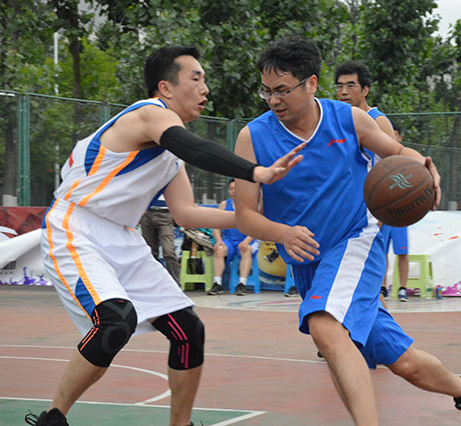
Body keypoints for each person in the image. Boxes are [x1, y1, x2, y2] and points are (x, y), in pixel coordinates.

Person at [26, 45, 305, 426]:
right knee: (115, 321)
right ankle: (52, 418)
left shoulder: (168, 152)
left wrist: (254, 218)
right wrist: (255, 172)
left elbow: (185, 213)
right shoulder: (148, 114)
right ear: (166, 87)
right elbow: (194, 148)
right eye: (196, 78)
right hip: (77, 227)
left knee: (188, 330)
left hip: (121, 236)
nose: (205, 88)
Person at [234, 37, 461, 426]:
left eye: (282, 90)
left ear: (311, 83)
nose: (273, 100)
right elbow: (244, 216)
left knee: (324, 325)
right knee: (403, 361)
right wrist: (283, 232)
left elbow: (399, 154)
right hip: (308, 262)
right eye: (266, 91)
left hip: (355, 241)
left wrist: (427, 168)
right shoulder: (252, 137)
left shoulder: (349, 119)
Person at [334, 62, 410, 303]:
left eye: (350, 86)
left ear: (365, 89)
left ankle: (379, 324)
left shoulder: (378, 121)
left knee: (369, 282)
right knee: (352, 283)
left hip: (372, 211)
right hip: (346, 210)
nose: (343, 92)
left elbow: (393, 167)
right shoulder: (338, 121)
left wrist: (383, 209)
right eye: (339, 86)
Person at [207, 179, 258, 296]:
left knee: (246, 249)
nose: (234, 191)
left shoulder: (250, 205)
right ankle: (217, 283)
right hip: (229, 240)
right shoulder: (224, 205)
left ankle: (242, 284)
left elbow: (256, 228)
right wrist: (219, 241)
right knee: (219, 249)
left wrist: (246, 242)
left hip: (246, 240)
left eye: (236, 189)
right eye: (231, 189)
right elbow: (216, 226)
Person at [140, 194, 180, 284]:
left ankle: (175, 284)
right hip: (147, 213)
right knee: (150, 252)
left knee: (169, 251)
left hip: (166, 213)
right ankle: (153, 282)